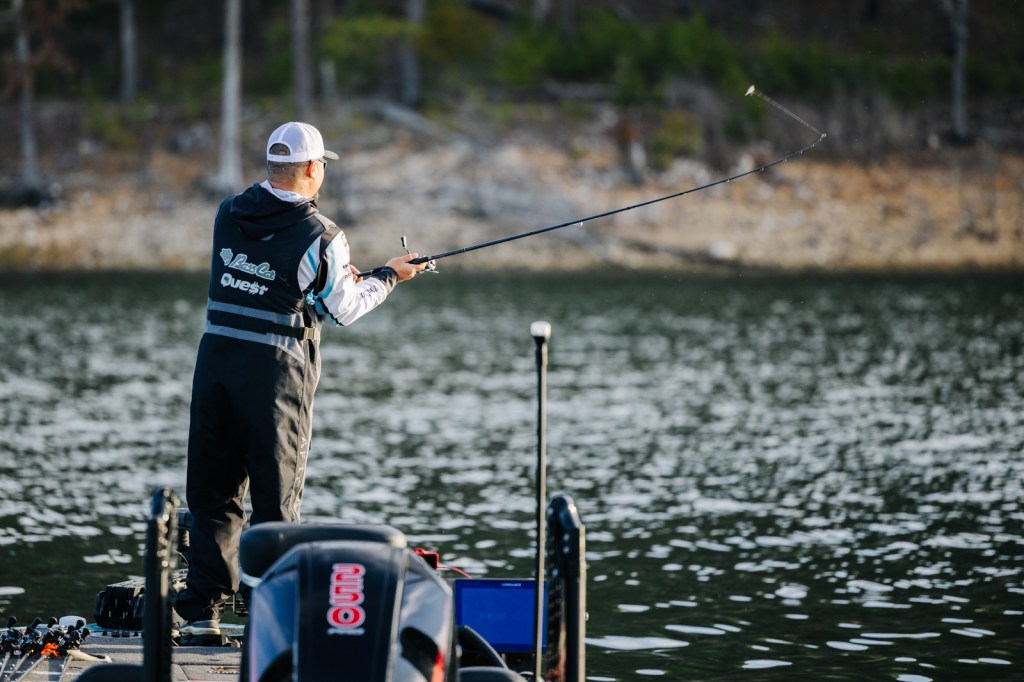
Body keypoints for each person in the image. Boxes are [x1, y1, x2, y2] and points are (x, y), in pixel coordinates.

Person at [174, 121, 426, 637]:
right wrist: (389, 276)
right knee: (276, 498)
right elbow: (342, 310)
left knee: (212, 491)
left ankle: (202, 610)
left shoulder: (228, 213)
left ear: (273, 165)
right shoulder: (324, 235)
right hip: (275, 380)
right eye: (322, 165)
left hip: (216, 367)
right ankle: (269, 614)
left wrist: (329, 280)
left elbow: (266, 280)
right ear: (313, 168)